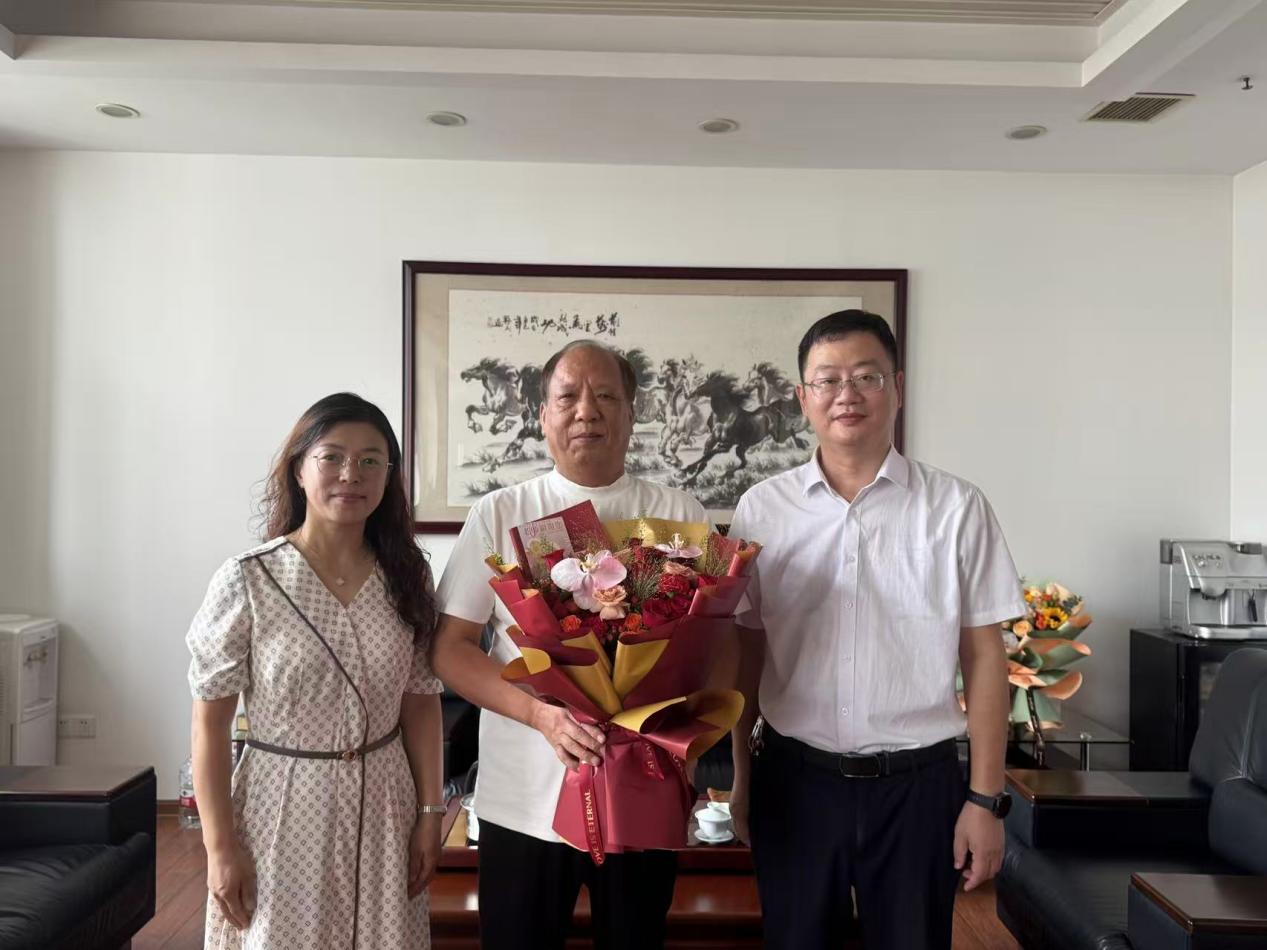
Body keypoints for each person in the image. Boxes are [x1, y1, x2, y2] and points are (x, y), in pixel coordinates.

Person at [727, 311, 1024, 949]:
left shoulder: (956, 508)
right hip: (794, 782)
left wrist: (985, 801)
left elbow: (985, 659)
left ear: (897, 386)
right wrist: (741, 778)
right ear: (802, 396)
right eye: (827, 379)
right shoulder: (761, 510)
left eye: (866, 376)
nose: (847, 394)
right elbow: (746, 653)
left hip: (917, 790)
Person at [432, 340, 708, 950]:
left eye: (606, 395)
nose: (587, 410)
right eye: (568, 397)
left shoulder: (678, 515)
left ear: (632, 413)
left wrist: (689, 746)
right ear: (543, 415)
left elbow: (709, 647)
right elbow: (449, 649)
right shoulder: (500, 512)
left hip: (642, 795)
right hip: (521, 803)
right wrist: (540, 715)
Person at [186, 393, 445, 950]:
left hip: (385, 805)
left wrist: (430, 813)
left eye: (371, 460)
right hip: (280, 806)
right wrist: (220, 847)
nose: (352, 474)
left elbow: (421, 702)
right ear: (299, 469)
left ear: (389, 476)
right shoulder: (249, 580)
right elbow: (209, 727)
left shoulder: (407, 580)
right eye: (332, 457)